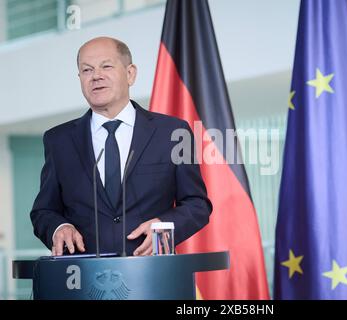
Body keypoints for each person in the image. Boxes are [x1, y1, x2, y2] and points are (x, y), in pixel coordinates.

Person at [30, 37, 212, 256]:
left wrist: (164, 227)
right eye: (87, 70)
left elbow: (197, 204)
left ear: (130, 73)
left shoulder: (172, 132)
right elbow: (44, 210)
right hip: (83, 278)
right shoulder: (58, 140)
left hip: (153, 274)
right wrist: (59, 227)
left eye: (106, 66)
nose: (96, 76)